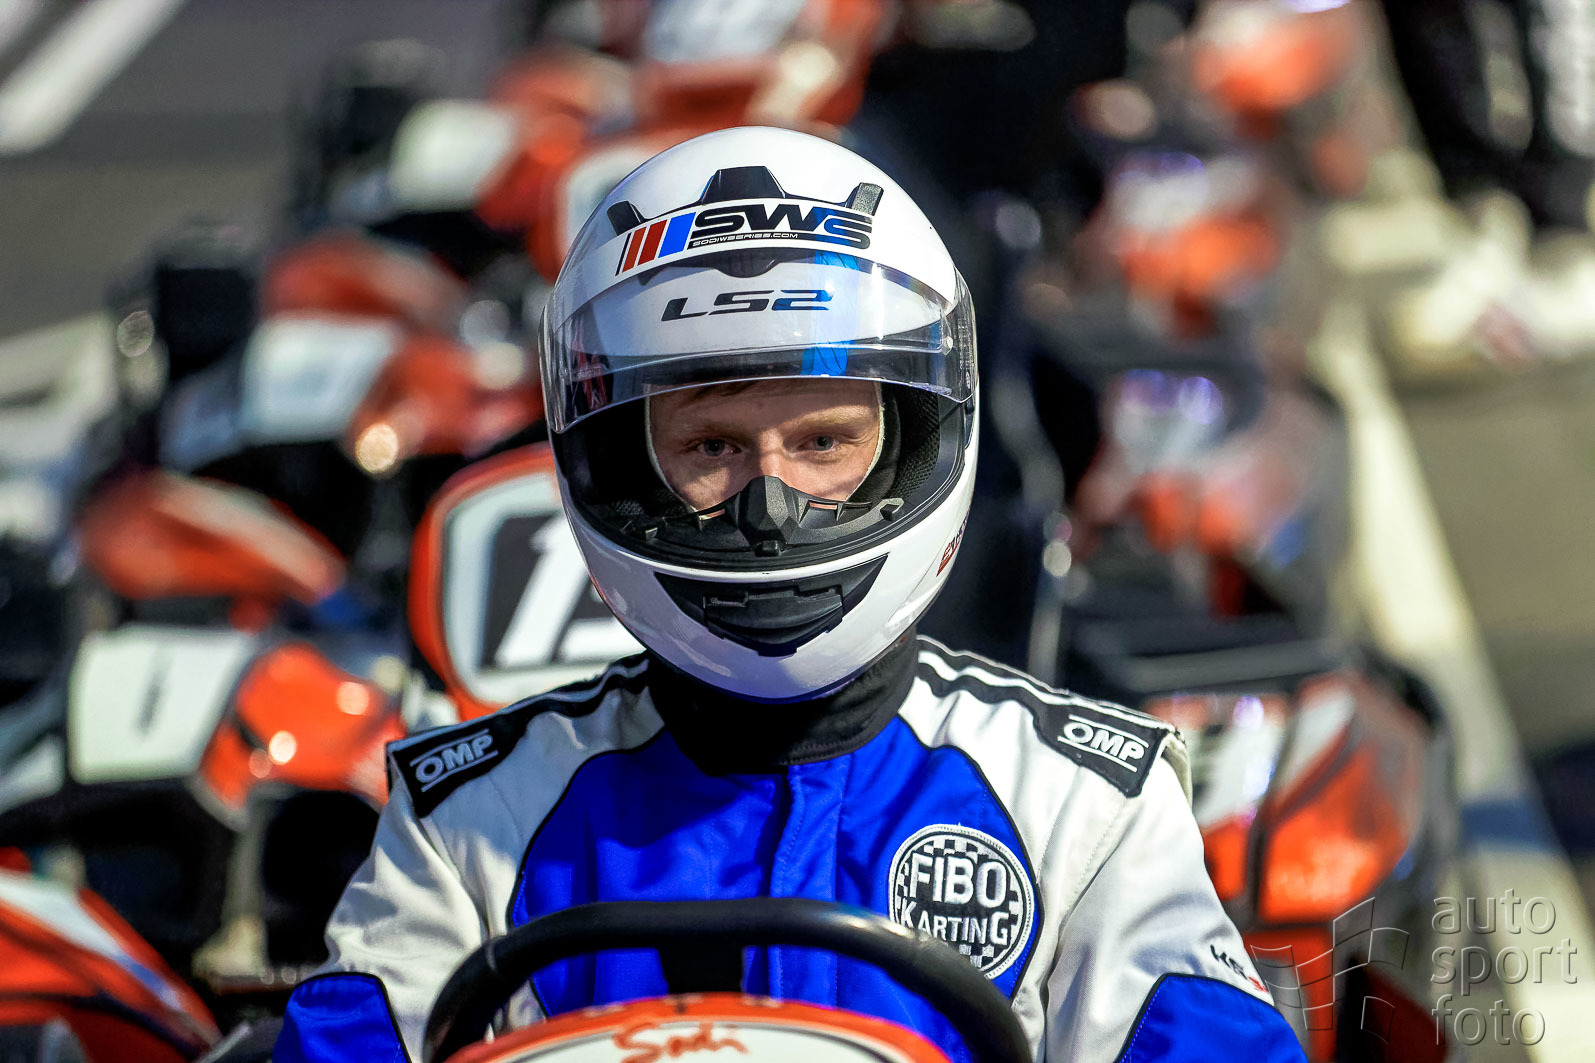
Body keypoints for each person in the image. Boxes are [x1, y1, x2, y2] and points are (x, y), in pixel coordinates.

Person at [274, 126, 1305, 1062]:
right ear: (621, 465)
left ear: (911, 442)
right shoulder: (468, 820)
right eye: (710, 447)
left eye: (821, 441)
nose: (769, 509)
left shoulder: (1082, 804)